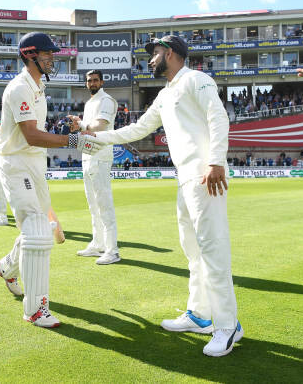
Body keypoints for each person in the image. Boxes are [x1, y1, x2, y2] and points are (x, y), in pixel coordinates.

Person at [87, 35, 242, 357]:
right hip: (185, 178)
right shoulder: (165, 93)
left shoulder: (196, 80)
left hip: (203, 174)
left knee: (212, 249)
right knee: (193, 250)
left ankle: (227, 326)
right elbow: (136, 130)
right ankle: (199, 315)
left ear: (169, 53)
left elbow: (218, 117)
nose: (151, 60)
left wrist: (215, 161)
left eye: (154, 54)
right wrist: (92, 137)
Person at [0, 32, 101, 328]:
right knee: (38, 231)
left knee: (39, 226)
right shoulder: (19, 88)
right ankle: (36, 310)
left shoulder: (39, 86)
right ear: (30, 54)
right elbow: (30, 134)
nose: (53, 58)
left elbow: (36, 137)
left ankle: (6, 267)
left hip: (35, 163)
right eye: (48, 53)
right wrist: (74, 140)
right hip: (15, 163)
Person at [68, 70, 120, 265]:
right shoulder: (90, 102)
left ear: (102, 81)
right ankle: (97, 244)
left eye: (95, 80)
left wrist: (81, 124)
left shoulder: (107, 100)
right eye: (89, 80)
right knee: (93, 205)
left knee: (104, 204)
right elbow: (87, 128)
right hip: (88, 155)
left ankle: (112, 250)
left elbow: (100, 125)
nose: (92, 83)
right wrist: (78, 127)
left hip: (101, 156)